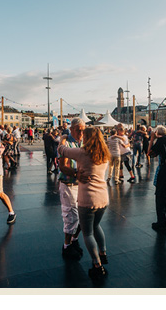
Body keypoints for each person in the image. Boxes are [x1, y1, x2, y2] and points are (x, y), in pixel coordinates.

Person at [58, 126, 111, 281]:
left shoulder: (82, 153)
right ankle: (103, 253)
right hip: (103, 197)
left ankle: (97, 265)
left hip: (87, 198)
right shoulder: (104, 154)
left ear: (87, 138)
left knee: (87, 233)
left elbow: (61, 149)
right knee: (96, 226)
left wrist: (63, 136)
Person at [57, 117, 86, 260]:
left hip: (81, 184)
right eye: (78, 130)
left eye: (83, 130)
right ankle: (66, 245)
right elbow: (63, 166)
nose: (81, 133)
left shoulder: (83, 142)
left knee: (83, 214)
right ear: (72, 129)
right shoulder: (66, 143)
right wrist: (76, 173)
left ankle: (74, 238)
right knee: (70, 215)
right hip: (69, 183)